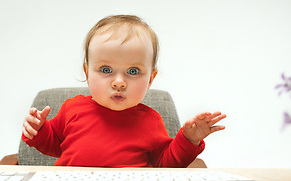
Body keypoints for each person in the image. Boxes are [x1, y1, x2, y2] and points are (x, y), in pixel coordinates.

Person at [22, 15, 226, 167]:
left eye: (133, 71)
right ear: (87, 72)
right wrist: (38, 129)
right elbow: (53, 144)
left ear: (150, 79)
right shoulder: (72, 108)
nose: (119, 82)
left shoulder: (151, 121)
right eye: (106, 70)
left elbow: (165, 165)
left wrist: (189, 139)